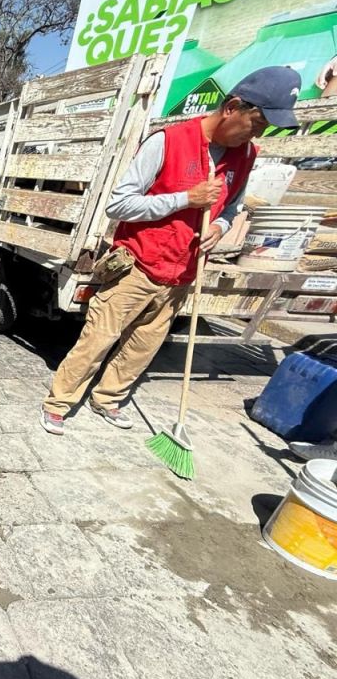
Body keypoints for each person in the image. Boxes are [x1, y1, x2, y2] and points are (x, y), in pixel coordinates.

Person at [40, 66, 302, 436]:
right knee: (97, 340)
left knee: (142, 347)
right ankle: (58, 402)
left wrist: (219, 226)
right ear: (232, 107)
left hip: (181, 273)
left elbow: (231, 207)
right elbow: (118, 204)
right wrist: (185, 200)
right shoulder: (169, 141)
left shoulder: (245, 156)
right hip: (137, 266)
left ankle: (108, 398)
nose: (257, 133)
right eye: (256, 123)